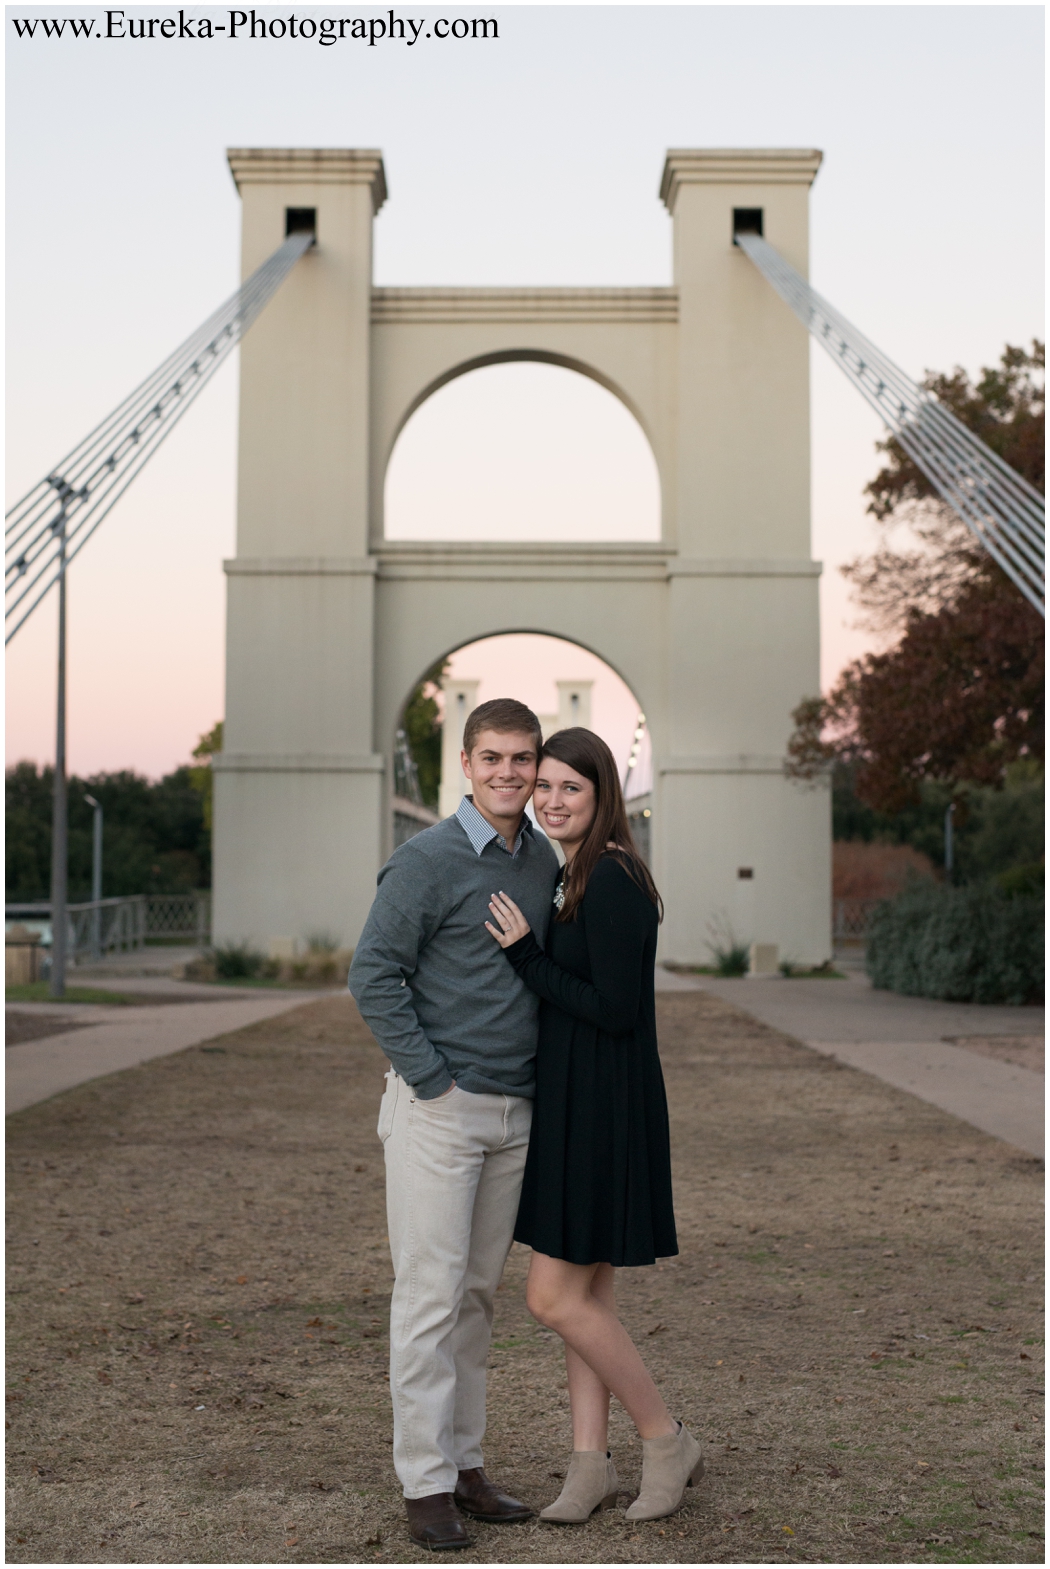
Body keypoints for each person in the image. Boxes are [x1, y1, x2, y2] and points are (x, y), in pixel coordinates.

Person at [349, 698, 560, 1551]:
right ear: (466, 764)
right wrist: (431, 1080)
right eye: (494, 758)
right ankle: (424, 1483)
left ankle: (467, 1465)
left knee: (476, 1296)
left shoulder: (542, 858)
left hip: (518, 1111)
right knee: (430, 1297)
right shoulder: (427, 860)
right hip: (442, 1110)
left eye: (524, 759)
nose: (510, 773)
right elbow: (372, 975)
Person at [484, 727, 703, 1525]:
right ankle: (588, 1465)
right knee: (589, 1295)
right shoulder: (571, 872)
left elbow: (614, 1008)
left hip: (604, 1107)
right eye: (542, 786)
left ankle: (665, 1435)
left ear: (602, 792)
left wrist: (524, 959)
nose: (549, 799)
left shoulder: (610, 877)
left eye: (568, 787)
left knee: (552, 1298)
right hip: (576, 1099)